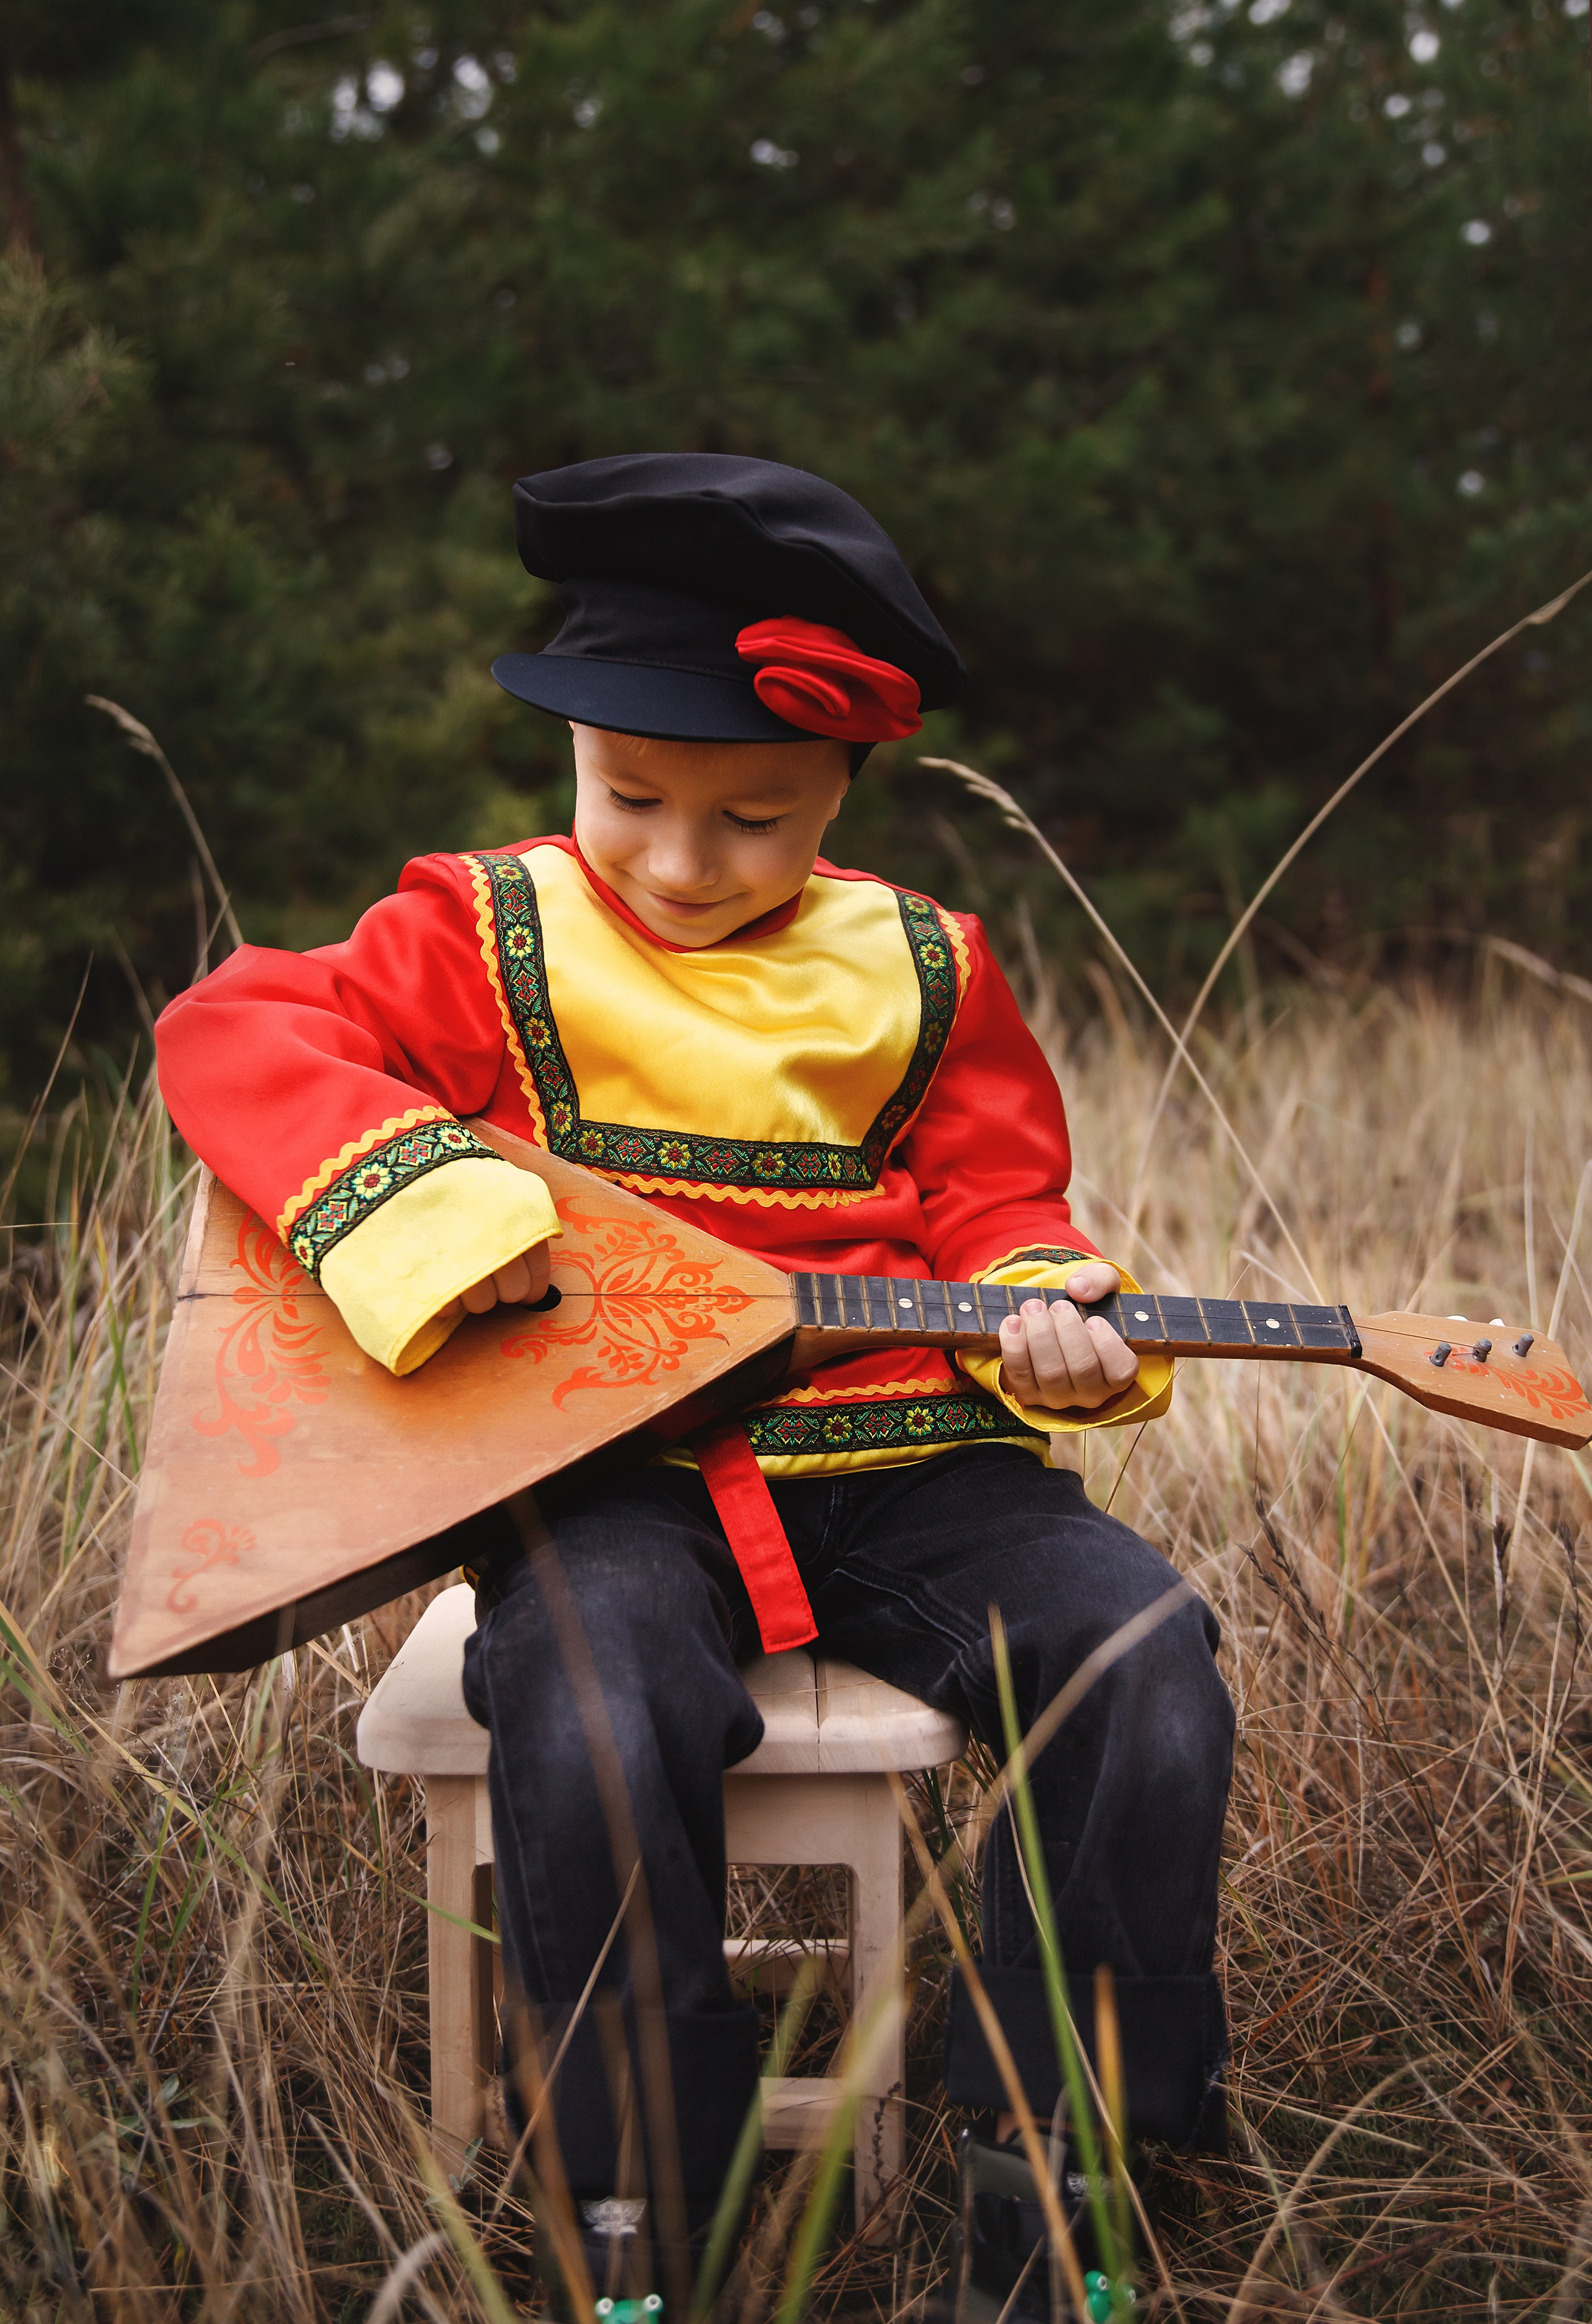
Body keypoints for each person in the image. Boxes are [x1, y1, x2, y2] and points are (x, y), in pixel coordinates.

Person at [155, 454, 1234, 2320]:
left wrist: (1048, 1304)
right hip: (615, 1474)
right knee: (590, 1694)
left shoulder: (918, 965)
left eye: (752, 817)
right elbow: (238, 1025)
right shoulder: (482, 928)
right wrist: (417, 1201)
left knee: (1143, 1654)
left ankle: (1056, 2169)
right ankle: (641, 2199)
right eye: (629, 794)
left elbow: (997, 1198)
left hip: (908, 1454)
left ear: (842, 783)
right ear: (570, 750)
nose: (675, 857)